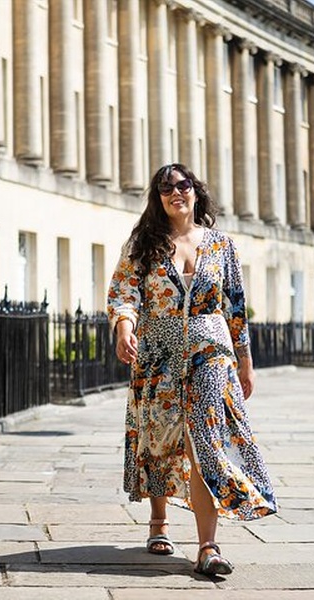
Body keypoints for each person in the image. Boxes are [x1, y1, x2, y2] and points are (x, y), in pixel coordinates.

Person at [106, 163, 277, 577]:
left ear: (196, 192)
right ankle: (159, 521)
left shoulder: (220, 245)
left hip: (210, 353)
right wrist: (125, 327)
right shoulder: (144, 243)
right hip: (158, 353)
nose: (175, 193)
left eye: (182, 185)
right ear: (158, 198)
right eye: (165, 188)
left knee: (204, 441)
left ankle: (207, 547)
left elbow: (235, 307)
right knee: (159, 437)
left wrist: (246, 362)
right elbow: (124, 292)